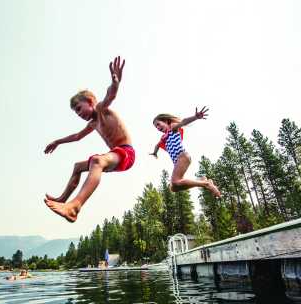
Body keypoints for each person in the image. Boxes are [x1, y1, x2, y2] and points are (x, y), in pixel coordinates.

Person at [44, 56, 135, 222]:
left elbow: (111, 95)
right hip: (114, 155)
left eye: (79, 108)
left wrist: (116, 82)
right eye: (76, 113)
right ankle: (63, 199)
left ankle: (75, 207)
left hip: (126, 153)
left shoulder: (101, 109)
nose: (79, 114)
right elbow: (77, 136)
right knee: (78, 167)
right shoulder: (93, 124)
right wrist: (58, 141)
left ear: (91, 101)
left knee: (97, 161)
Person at [150, 108, 221, 197]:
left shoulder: (172, 127)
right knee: (174, 187)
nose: (158, 128)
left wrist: (195, 117)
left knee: (175, 182)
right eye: (156, 127)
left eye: (158, 124)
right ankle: (204, 182)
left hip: (182, 156)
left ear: (165, 121)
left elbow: (183, 122)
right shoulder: (164, 138)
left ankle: (205, 184)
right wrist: (154, 153)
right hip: (177, 161)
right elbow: (157, 146)